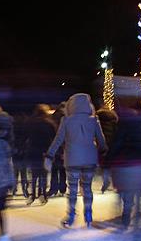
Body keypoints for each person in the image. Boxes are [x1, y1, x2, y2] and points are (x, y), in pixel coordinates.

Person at [45, 93, 107, 228]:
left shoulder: (66, 120)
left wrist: (50, 155)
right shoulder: (93, 120)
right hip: (90, 160)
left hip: (72, 159)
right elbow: (101, 140)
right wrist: (103, 150)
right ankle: (89, 214)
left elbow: (58, 140)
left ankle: (71, 215)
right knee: (87, 188)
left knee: (72, 189)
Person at [105, 102, 141, 230]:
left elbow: (116, 144)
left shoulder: (122, 126)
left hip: (126, 163)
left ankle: (126, 216)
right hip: (140, 163)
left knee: (126, 191)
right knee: (138, 189)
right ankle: (138, 211)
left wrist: (108, 160)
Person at [25, 104, 57, 206]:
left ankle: (33, 194)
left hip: (33, 151)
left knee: (34, 174)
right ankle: (42, 194)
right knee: (44, 174)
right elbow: (54, 139)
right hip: (45, 152)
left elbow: (26, 136)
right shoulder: (50, 123)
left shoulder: (30, 123)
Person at [95, 106, 119, 192]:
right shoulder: (114, 121)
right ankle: (116, 184)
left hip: (102, 145)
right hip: (112, 144)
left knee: (104, 165)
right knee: (113, 165)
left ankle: (106, 180)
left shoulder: (98, 120)